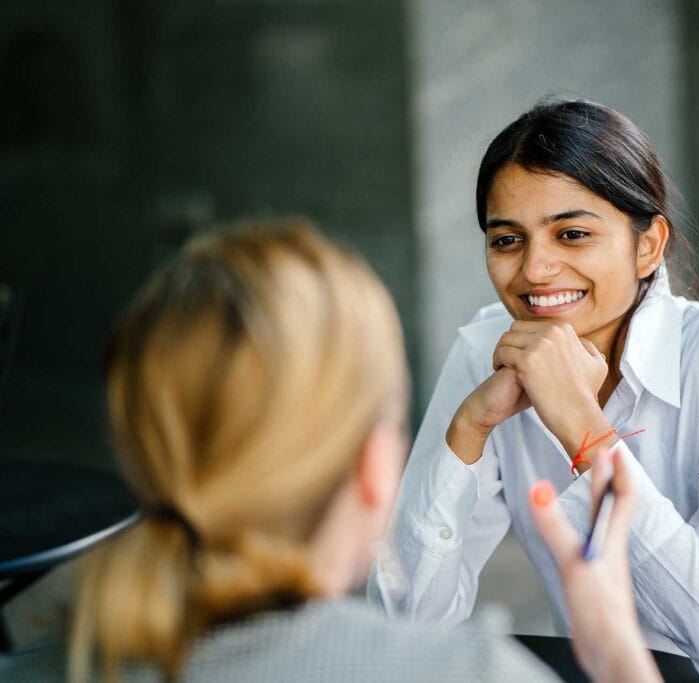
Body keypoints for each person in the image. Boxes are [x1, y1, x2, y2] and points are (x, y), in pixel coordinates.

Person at [0, 220, 660, 683]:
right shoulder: (471, 672)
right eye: (507, 238)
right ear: (375, 468)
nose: (536, 265)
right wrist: (615, 647)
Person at [368, 100, 699, 683]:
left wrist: (585, 431)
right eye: (507, 240)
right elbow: (405, 626)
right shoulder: (488, 349)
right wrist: (466, 432)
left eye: (572, 234)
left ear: (648, 245)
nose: (535, 269)